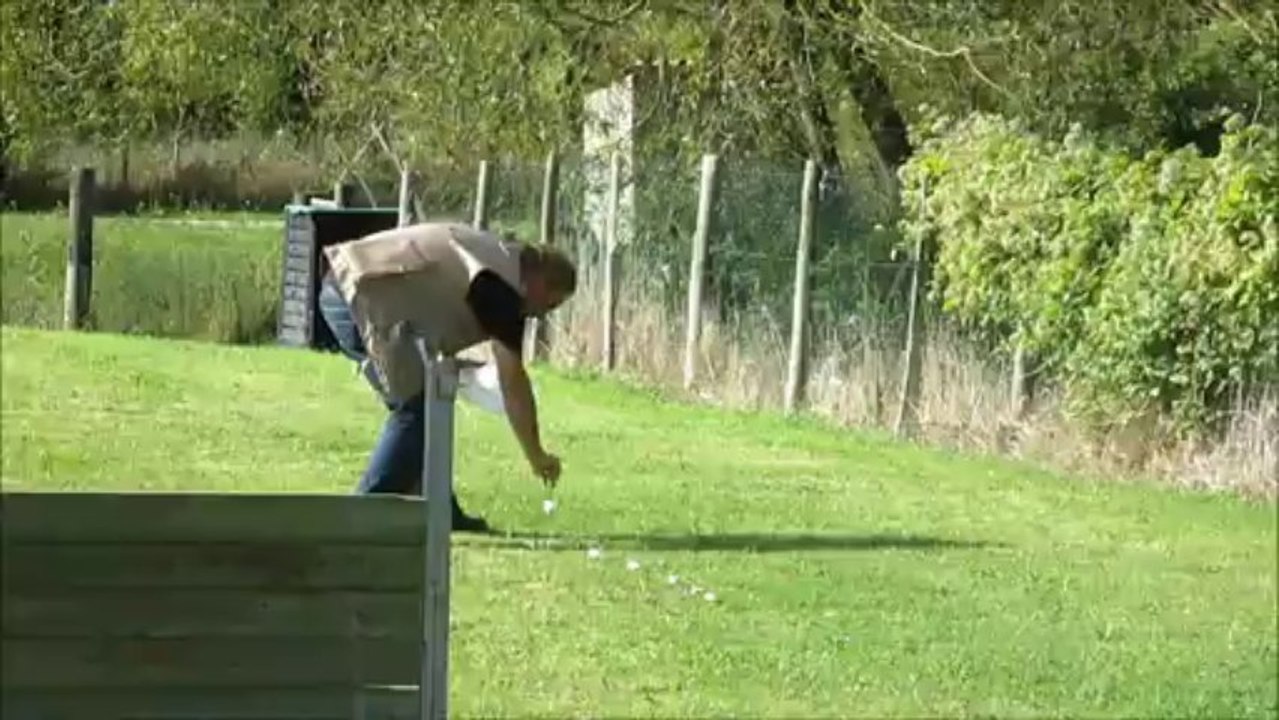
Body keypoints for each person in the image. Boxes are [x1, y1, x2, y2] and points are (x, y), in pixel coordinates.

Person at [317, 220, 577, 532]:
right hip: (354, 295)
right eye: (550, 303)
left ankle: (440, 509)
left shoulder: (496, 256)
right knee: (417, 411)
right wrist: (536, 455)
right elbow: (513, 382)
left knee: (429, 408)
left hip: (349, 286)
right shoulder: (499, 286)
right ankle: (366, 513)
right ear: (539, 282)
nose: (542, 314)